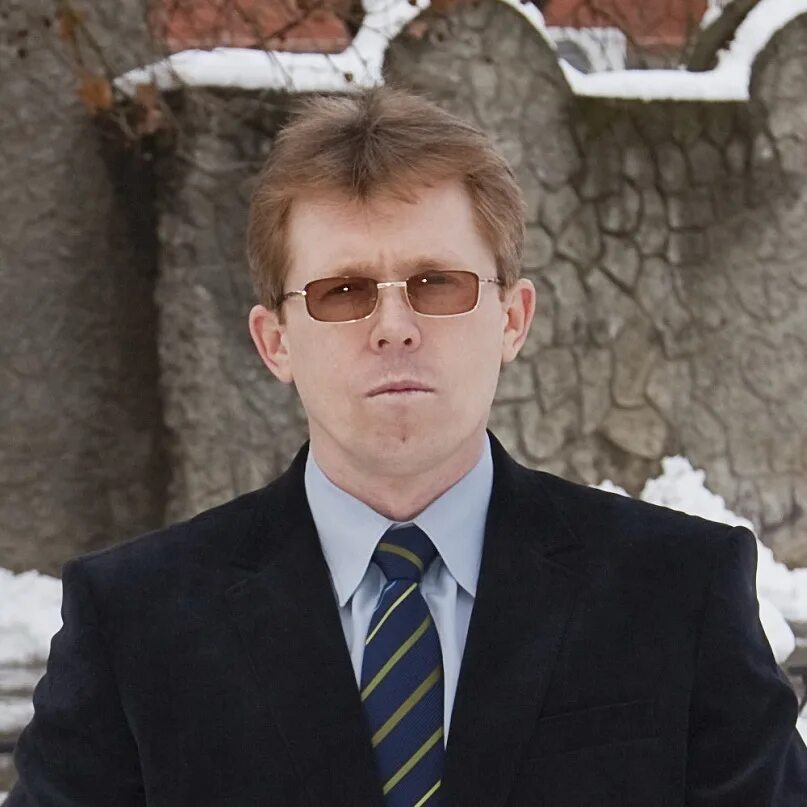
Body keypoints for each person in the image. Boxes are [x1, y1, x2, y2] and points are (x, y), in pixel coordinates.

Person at [6, 85, 807, 807]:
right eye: (342, 291)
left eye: (436, 283)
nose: (393, 326)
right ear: (275, 340)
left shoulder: (676, 591)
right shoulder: (135, 622)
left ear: (512, 318)